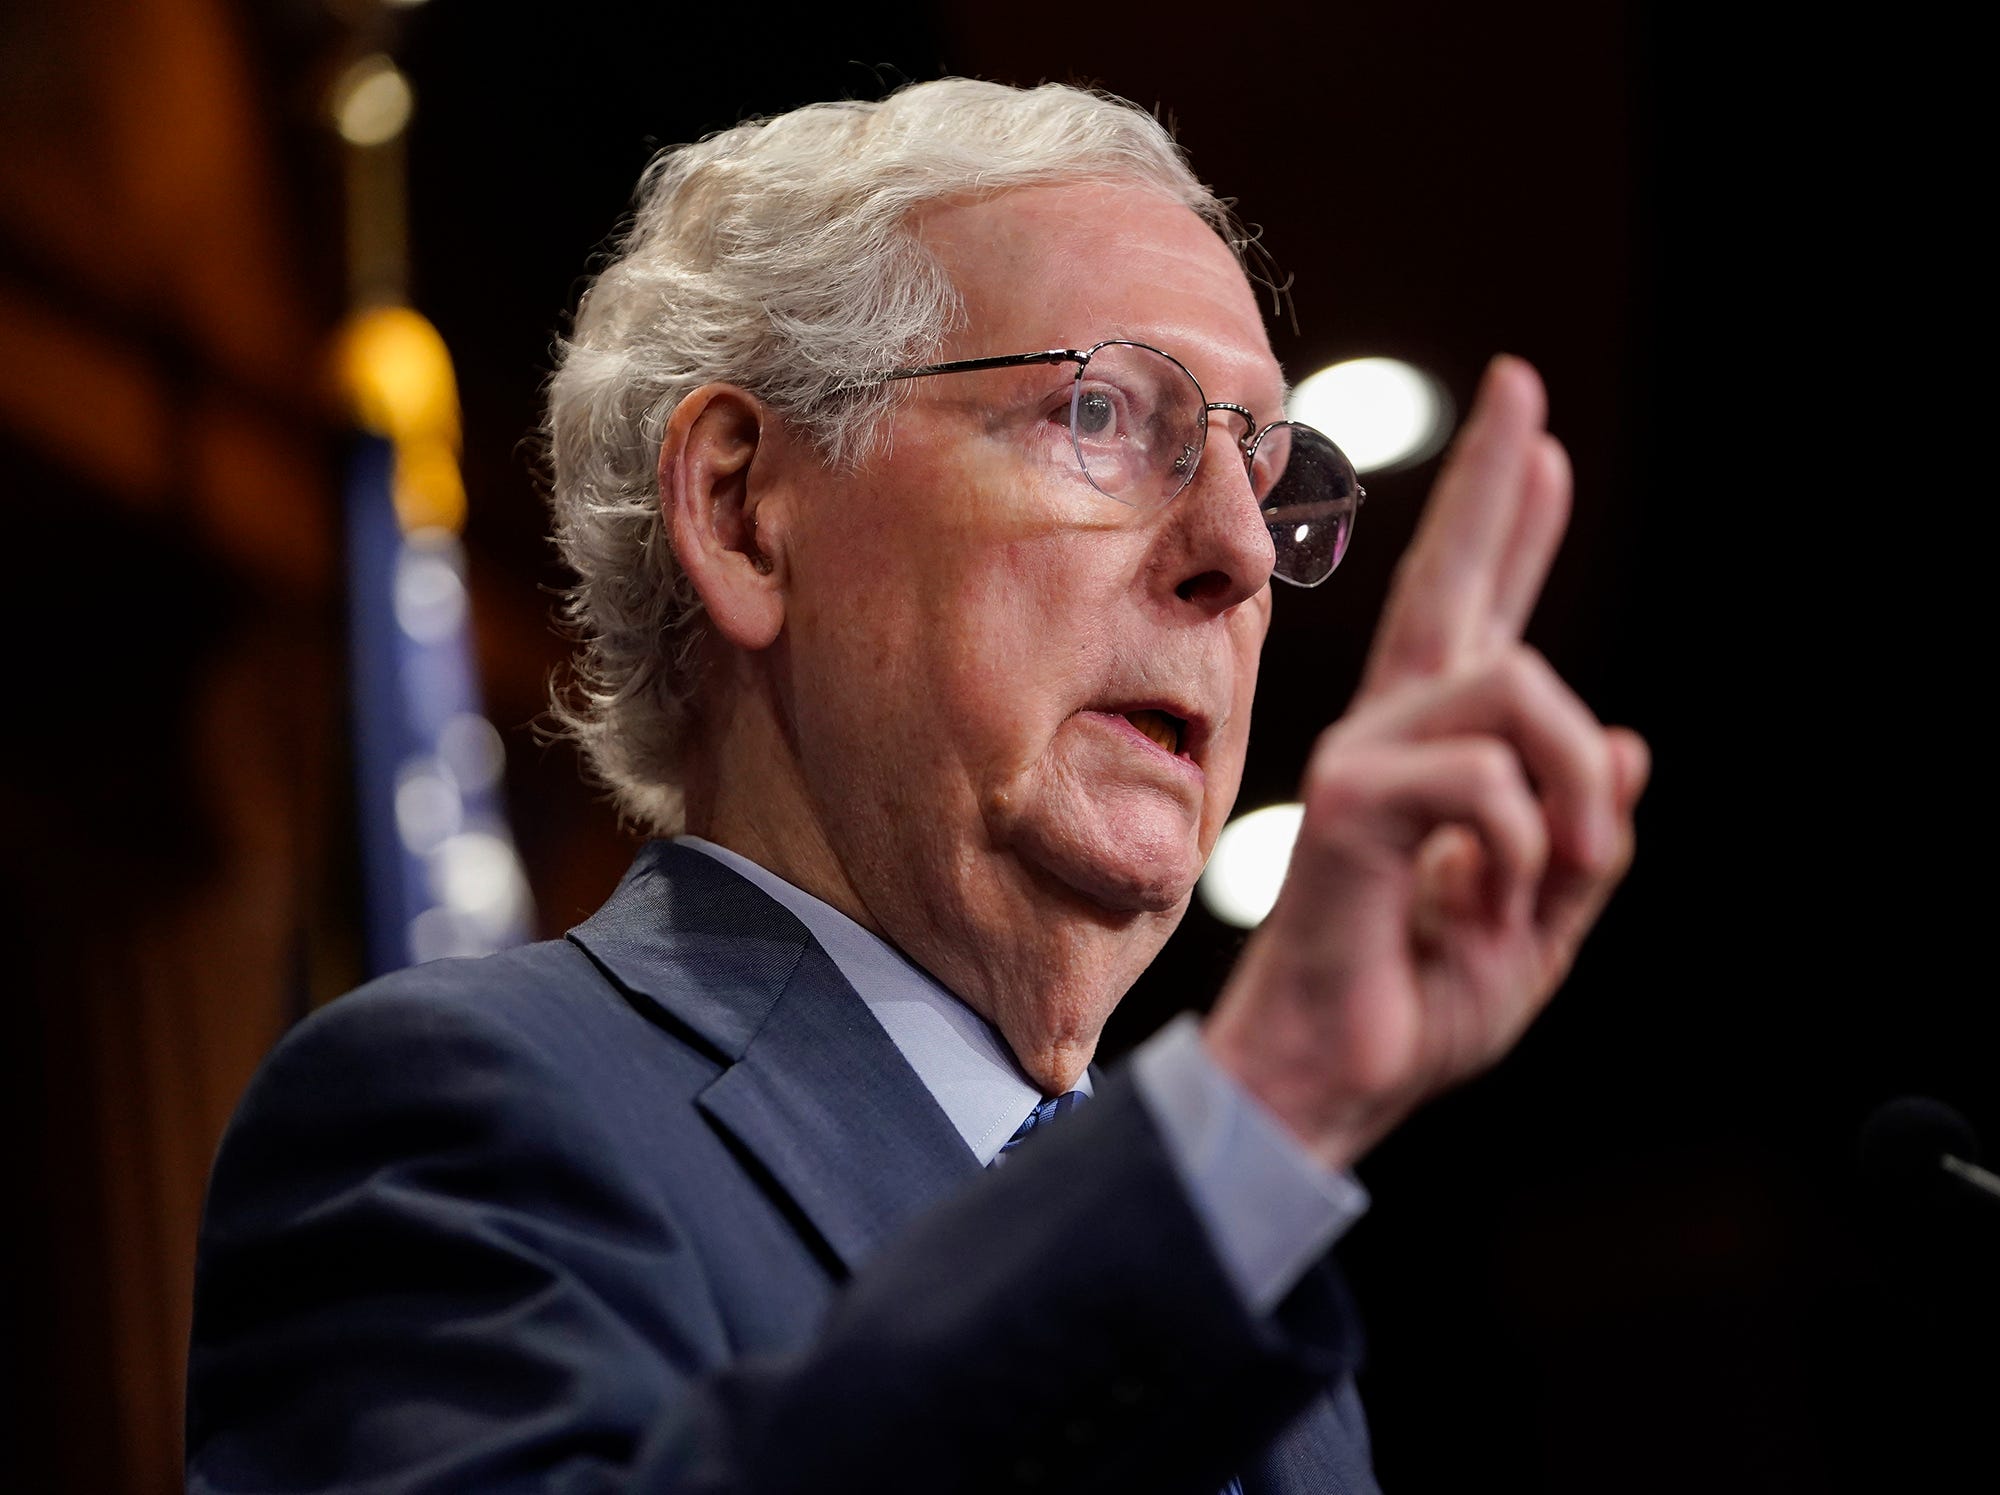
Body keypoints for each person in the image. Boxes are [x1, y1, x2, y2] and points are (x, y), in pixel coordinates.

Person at [187, 78, 1646, 1493]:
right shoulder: (457, 1121)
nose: (1242, 552)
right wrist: (1260, 1113)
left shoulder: (1267, 1332)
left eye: (1262, 470)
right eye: (1101, 415)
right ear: (743, 512)